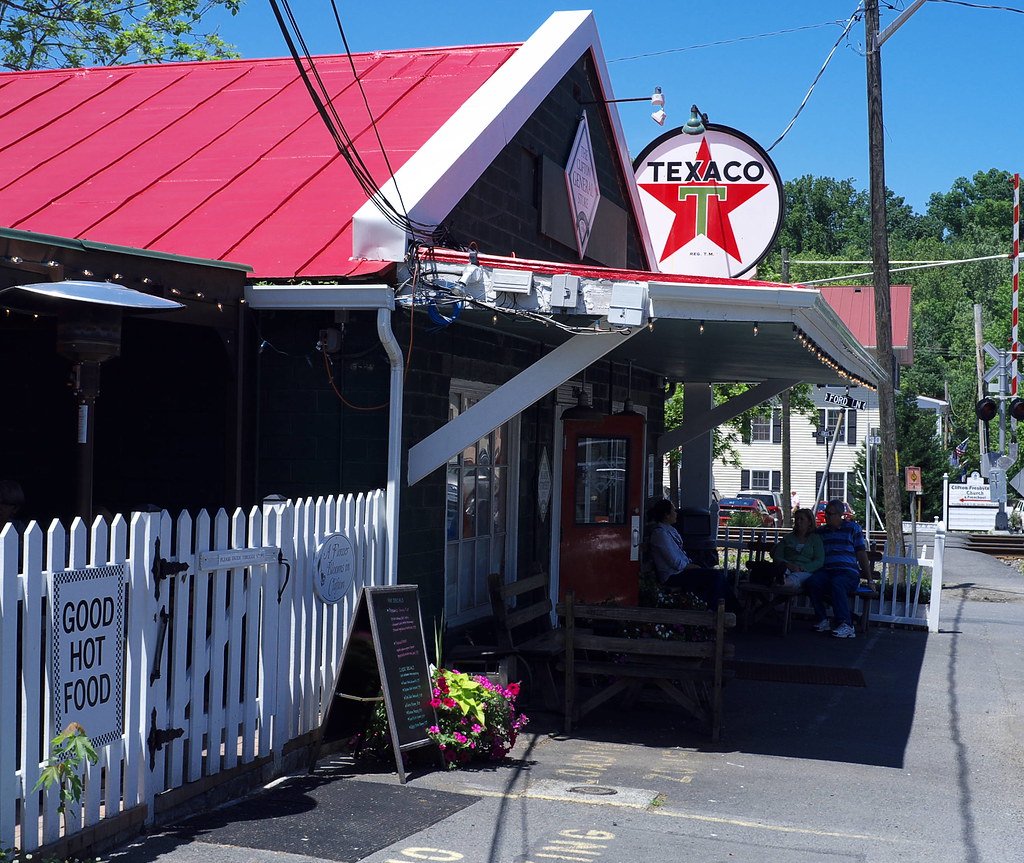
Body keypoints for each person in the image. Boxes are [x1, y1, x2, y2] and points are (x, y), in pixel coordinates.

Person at [647, 499, 737, 612]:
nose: (676, 513)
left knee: (717, 575)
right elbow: (675, 563)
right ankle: (716, 613)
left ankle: (731, 611)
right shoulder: (660, 534)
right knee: (715, 576)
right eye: (673, 511)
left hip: (683, 571)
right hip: (672, 576)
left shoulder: (670, 531)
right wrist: (692, 566)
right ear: (666, 515)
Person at [805, 499, 873, 638]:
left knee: (838, 583)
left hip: (847, 573)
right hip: (827, 571)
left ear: (840, 514)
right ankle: (822, 619)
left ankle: (846, 624)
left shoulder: (853, 528)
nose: (827, 517)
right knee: (812, 582)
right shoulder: (821, 532)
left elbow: (861, 553)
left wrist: (870, 580)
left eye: (830, 514)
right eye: (826, 514)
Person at [772, 507, 824, 589]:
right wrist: (787, 564)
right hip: (787, 567)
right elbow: (777, 556)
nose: (798, 522)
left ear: (809, 522)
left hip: (805, 571)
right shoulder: (787, 538)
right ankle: (779, 580)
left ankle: (781, 583)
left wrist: (802, 568)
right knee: (783, 571)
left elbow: (819, 560)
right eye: (796, 519)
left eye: (802, 519)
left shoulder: (815, 539)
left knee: (797, 577)